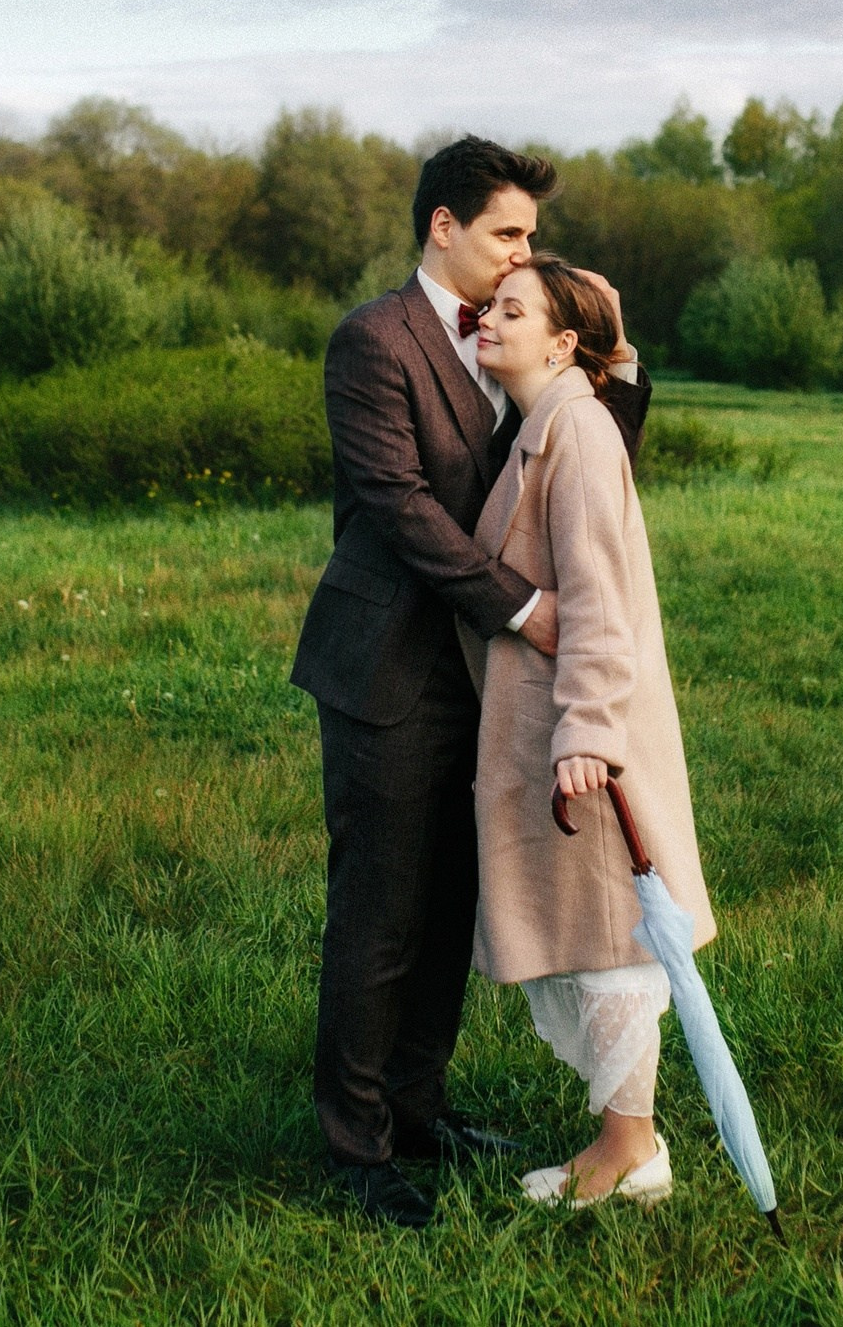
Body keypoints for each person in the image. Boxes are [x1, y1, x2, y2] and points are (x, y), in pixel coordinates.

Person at [289, 139, 650, 1229]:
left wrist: (617, 359)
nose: (522, 255)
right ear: (440, 226)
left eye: (530, 238)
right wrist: (529, 611)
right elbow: (400, 510)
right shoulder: (373, 341)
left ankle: (417, 1108)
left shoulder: (520, 338)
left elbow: (594, 456)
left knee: (451, 901)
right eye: (505, 233)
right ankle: (355, 1150)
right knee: (379, 913)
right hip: (389, 668)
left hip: (480, 681)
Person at [462, 255, 716, 1208]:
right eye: (489, 304)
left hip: (583, 733)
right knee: (595, 929)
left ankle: (629, 1148)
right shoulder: (550, 423)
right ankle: (624, 1138)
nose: (489, 317)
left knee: (614, 935)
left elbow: (600, 598)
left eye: (512, 309)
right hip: (551, 723)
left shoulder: (579, 430)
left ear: (564, 343)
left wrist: (587, 735)